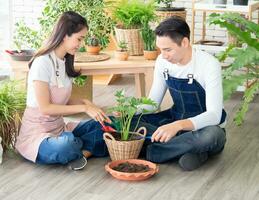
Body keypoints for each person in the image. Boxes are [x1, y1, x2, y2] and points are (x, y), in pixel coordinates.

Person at [15, 11, 111, 170]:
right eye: (79, 39)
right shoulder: (42, 62)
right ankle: (81, 147)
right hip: (38, 134)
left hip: (61, 128)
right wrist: (84, 108)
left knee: (105, 125)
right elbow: (46, 108)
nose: (80, 44)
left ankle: (81, 150)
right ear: (65, 34)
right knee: (63, 147)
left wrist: (89, 104)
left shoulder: (65, 61)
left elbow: (64, 100)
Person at [134, 16, 227, 171]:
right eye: (160, 49)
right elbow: (152, 103)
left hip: (203, 128)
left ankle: (153, 151)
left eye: (168, 49)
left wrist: (177, 126)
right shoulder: (162, 61)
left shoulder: (209, 64)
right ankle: (189, 151)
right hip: (173, 121)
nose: (163, 55)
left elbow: (214, 115)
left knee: (211, 136)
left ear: (184, 42)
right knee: (128, 122)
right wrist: (129, 111)